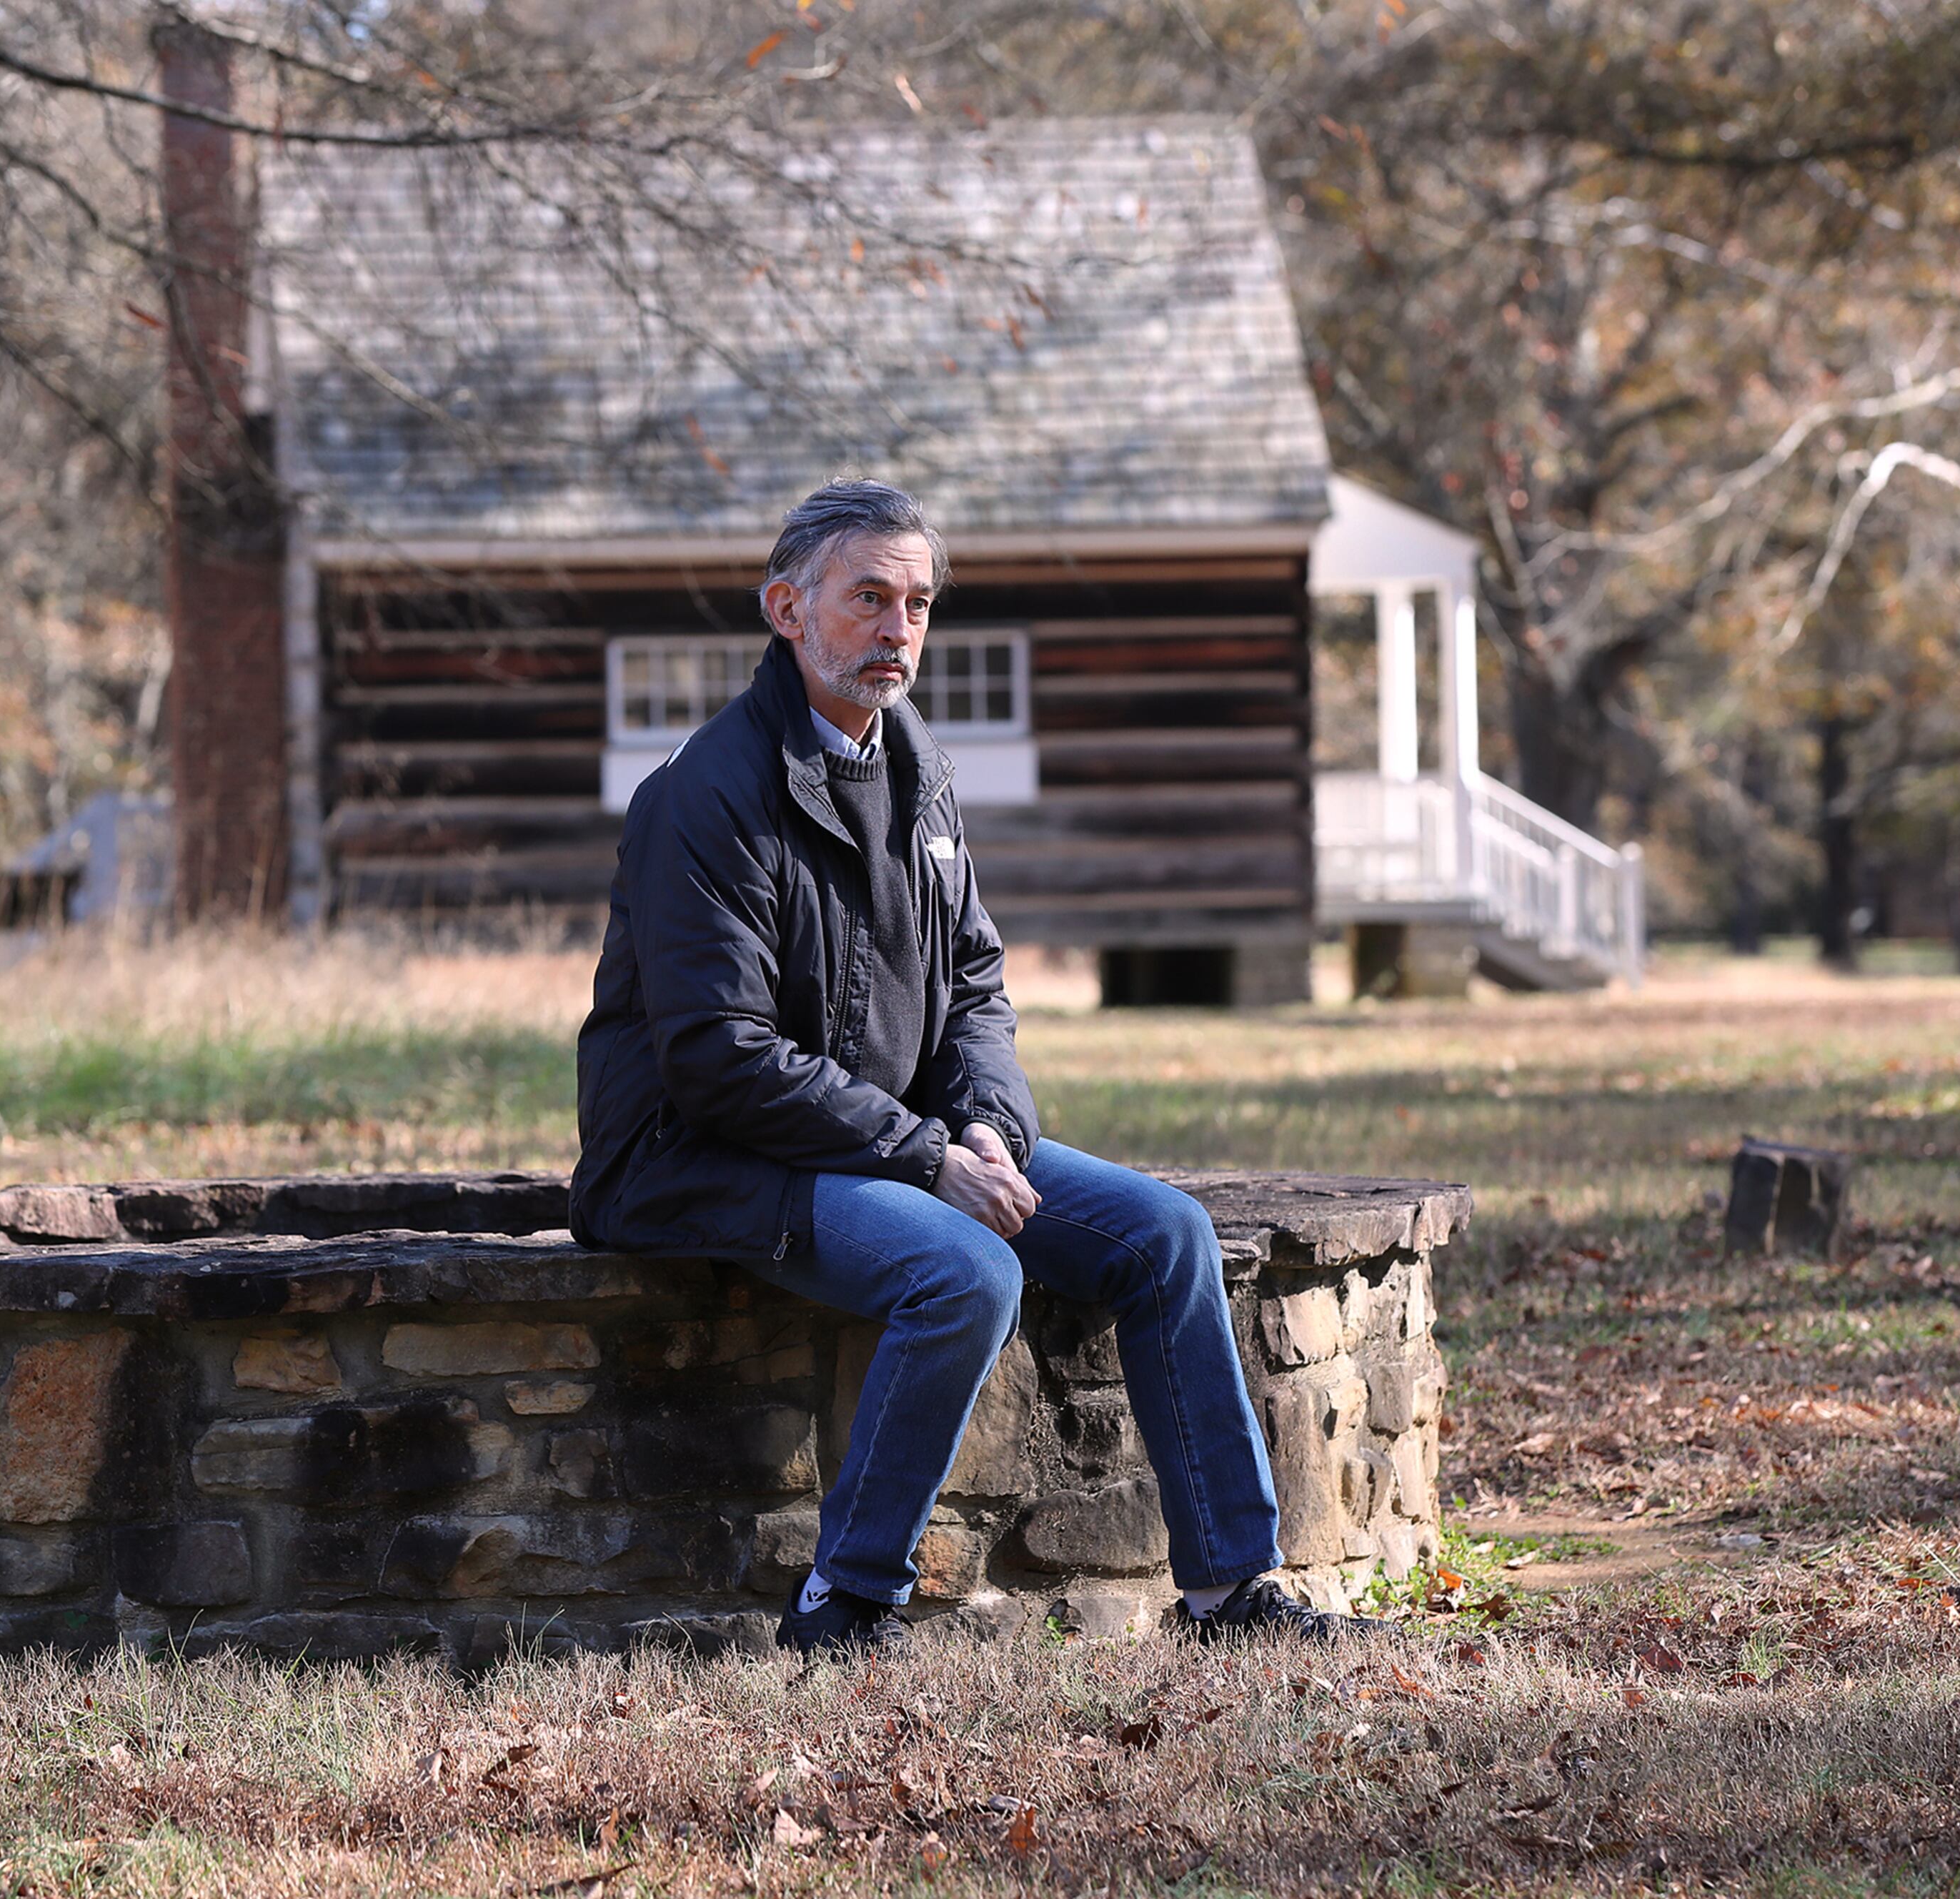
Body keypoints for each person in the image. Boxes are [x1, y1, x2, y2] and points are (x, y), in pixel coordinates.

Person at [572, 477, 1377, 1655]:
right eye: (868, 599)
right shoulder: (703, 800)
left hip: (896, 1136)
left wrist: (987, 1123)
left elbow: (976, 984)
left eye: (918, 603)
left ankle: (1229, 1594)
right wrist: (927, 1157)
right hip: (701, 1158)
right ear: (786, 608)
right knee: (962, 1274)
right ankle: (844, 1606)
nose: (898, 629)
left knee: (1166, 1235)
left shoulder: (918, 770)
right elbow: (719, 1060)